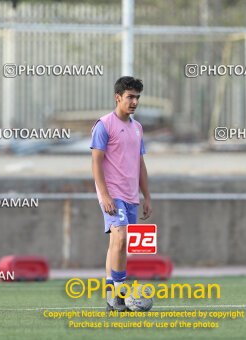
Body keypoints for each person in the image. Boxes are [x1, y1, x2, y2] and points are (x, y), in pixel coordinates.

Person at [90, 76, 152, 311]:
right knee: (121, 237)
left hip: (131, 195)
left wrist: (147, 196)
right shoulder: (104, 125)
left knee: (119, 244)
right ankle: (119, 294)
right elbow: (96, 162)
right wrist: (104, 195)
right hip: (112, 193)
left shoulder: (137, 128)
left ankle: (110, 296)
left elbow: (140, 164)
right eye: (130, 97)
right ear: (118, 97)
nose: (134, 101)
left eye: (137, 97)